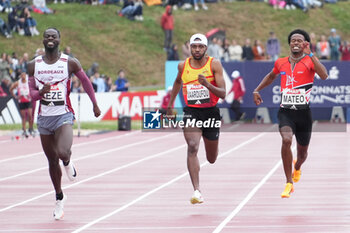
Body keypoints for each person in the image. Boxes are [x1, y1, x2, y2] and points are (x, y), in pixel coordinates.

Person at [28, 28, 101, 220]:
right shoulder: (33, 65)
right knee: (52, 161)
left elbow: (85, 82)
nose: (50, 39)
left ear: (59, 39)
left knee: (62, 152)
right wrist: (41, 93)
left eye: (54, 36)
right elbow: (32, 95)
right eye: (47, 36)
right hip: (44, 119)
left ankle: (67, 162)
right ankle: (59, 197)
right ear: (43, 40)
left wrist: (94, 103)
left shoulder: (69, 62)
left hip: (64, 115)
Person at [253, 29, 328, 198]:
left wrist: (312, 55)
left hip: (304, 114)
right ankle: (288, 182)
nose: (295, 43)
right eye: (293, 40)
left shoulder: (309, 61)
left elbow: (323, 75)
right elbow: (271, 76)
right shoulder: (281, 62)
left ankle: (298, 166)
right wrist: (257, 89)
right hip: (286, 111)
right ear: (289, 44)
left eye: (299, 41)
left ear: (305, 44)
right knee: (286, 140)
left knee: (302, 154)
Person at [167, 33, 226, 204]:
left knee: (211, 158)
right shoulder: (182, 66)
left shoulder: (214, 64)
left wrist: (207, 84)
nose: (197, 49)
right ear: (190, 48)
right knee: (192, 147)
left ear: (206, 48)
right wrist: (170, 105)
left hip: (211, 112)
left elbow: (223, 94)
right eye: (194, 46)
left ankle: (212, 146)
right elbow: (178, 82)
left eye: (200, 47)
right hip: (191, 112)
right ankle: (197, 190)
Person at [10, 71, 34, 137]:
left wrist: (31, 95)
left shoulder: (28, 82)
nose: (23, 76)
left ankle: (31, 128)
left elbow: (33, 88)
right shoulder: (18, 82)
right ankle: (24, 130)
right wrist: (15, 96)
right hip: (21, 101)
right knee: (23, 117)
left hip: (28, 101)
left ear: (26, 76)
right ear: (20, 76)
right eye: (22, 75)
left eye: (24, 75)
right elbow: (11, 89)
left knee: (30, 115)